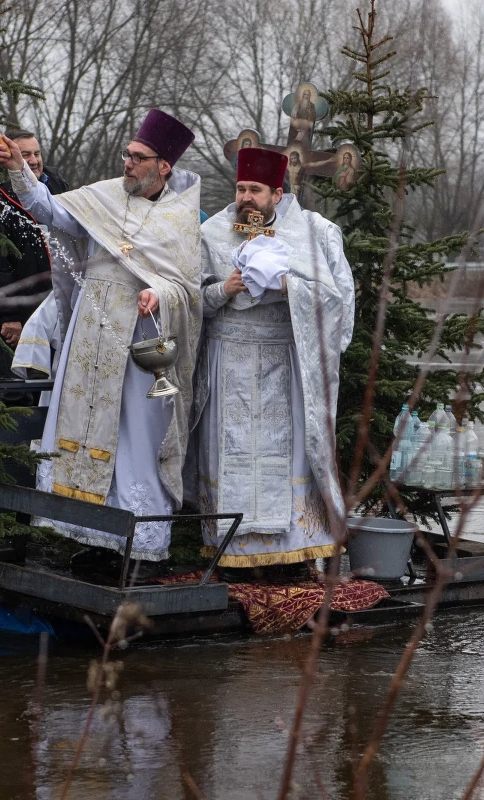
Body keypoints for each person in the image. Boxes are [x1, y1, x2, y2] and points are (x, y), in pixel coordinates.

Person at [0, 108, 202, 564]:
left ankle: (137, 548)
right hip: (90, 338)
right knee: (84, 436)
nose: (127, 163)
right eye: (127, 154)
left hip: (140, 349)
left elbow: (188, 289)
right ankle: (92, 537)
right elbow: (49, 209)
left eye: (139, 157)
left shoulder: (180, 219)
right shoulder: (104, 197)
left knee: (133, 447)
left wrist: (159, 293)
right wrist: (19, 170)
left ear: (164, 166)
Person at [190, 147, 354, 570]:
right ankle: (231, 553)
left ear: (277, 193)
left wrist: (288, 287)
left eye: (256, 190)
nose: (246, 197)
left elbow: (338, 302)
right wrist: (221, 291)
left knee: (289, 455)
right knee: (229, 454)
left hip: (285, 365)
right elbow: (191, 302)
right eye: (241, 188)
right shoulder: (211, 235)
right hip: (227, 365)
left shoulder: (313, 234)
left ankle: (295, 555)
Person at [0, 129, 69, 378]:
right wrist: (9, 315)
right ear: (7, 157)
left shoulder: (55, 185)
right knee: (14, 391)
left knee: (50, 387)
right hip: (15, 317)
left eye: (37, 153)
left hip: (54, 311)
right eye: (25, 154)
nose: (35, 160)